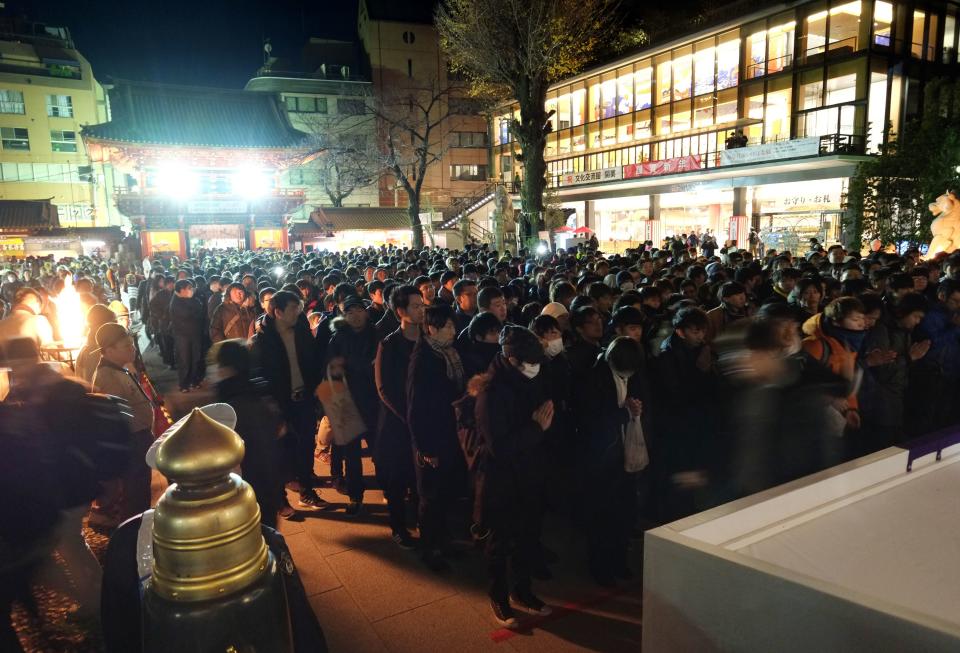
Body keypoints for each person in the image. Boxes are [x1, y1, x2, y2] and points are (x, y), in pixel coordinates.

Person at [473, 326, 553, 626]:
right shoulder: (491, 391)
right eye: (528, 364)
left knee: (528, 536)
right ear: (509, 358)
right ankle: (499, 597)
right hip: (501, 478)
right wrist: (535, 428)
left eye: (537, 364)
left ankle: (523, 590)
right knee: (500, 542)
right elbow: (499, 447)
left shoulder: (532, 378)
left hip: (531, 473)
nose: (534, 369)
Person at [577, 337, 648, 586]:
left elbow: (642, 396)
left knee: (625, 512)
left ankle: (619, 561)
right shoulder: (594, 378)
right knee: (602, 514)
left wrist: (638, 406)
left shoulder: (634, 374)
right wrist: (624, 412)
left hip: (626, 453)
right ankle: (600, 567)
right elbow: (590, 418)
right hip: (603, 456)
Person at [250, 290, 326, 510]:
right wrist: (270, 410)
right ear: (278, 311)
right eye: (293, 309)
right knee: (280, 452)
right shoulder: (260, 341)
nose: (298, 313)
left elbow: (312, 364)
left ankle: (307, 491)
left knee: (305, 447)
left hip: (303, 399)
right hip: (279, 404)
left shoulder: (301, 333)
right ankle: (280, 498)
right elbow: (259, 379)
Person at [407, 304, 466, 572]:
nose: (454, 330)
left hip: (449, 433)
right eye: (448, 326)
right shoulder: (423, 359)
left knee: (445, 492)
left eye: (453, 325)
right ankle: (429, 548)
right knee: (430, 497)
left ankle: (444, 540)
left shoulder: (448, 353)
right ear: (432, 328)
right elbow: (416, 407)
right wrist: (425, 447)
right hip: (433, 438)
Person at [213, 339, 287, 526]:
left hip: (247, 490)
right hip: (268, 484)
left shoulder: (230, 405)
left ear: (228, 367)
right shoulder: (259, 393)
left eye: (218, 364)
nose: (215, 370)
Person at [90, 323, 155, 525]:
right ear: (109, 350)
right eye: (126, 346)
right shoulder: (108, 376)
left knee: (139, 489)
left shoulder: (119, 369)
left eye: (132, 344)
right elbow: (118, 417)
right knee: (135, 493)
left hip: (138, 437)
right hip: (132, 441)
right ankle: (133, 533)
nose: (133, 348)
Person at [374, 286, 424, 549]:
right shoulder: (390, 344)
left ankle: (423, 522)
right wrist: (408, 416)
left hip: (422, 421)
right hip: (397, 423)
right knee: (397, 477)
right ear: (400, 311)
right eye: (415, 306)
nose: (421, 310)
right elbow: (384, 389)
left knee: (421, 478)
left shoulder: (427, 340)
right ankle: (398, 527)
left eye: (422, 305)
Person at [324, 295, 380, 515]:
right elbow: (330, 373)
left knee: (380, 450)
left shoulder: (377, 335)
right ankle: (356, 496)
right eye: (350, 312)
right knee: (352, 455)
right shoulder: (337, 339)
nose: (355, 315)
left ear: (365, 312)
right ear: (344, 315)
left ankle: (389, 487)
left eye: (359, 310)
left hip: (374, 402)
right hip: (347, 403)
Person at [170, 279, 205, 392]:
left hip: (195, 334)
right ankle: (184, 384)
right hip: (182, 336)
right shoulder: (175, 302)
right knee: (185, 360)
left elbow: (200, 308)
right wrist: (194, 309)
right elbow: (188, 314)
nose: (192, 291)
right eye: (189, 289)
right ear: (181, 290)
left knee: (196, 358)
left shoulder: (190, 299)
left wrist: (195, 309)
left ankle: (194, 381)